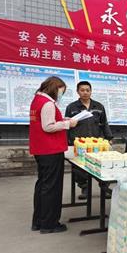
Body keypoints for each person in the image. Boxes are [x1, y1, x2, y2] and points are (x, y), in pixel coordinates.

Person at [29, 76, 78, 234]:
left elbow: (44, 121)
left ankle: (38, 221)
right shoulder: (48, 103)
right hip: (50, 150)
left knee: (43, 185)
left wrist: (62, 119)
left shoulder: (37, 100)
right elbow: (48, 126)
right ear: (53, 89)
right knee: (52, 188)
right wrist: (67, 124)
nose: (60, 95)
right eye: (61, 91)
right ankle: (49, 224)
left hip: (41, 149)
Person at [65, 80, 113, 199]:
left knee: (101, 165)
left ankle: (105, 187)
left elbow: (104, 123)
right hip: (79, 144)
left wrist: (109, 138)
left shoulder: (99, 106)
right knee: (79, 168)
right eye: (82, 90)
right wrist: (66, 142)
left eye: (87, 90)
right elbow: (67, 125)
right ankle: (85, 188)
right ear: (78, 92)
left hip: (96, 144)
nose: (85, 92)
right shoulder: (71, 107)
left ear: (91, 91)